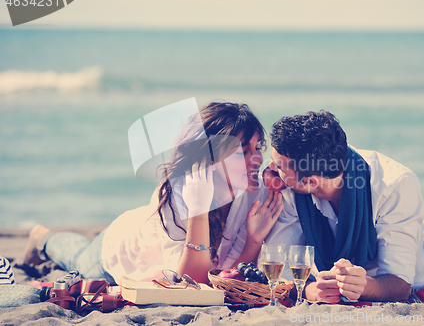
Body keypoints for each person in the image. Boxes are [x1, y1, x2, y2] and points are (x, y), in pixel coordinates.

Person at [23, 101, 283, 285]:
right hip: (121, 252)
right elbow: (190, 282)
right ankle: (42, 237)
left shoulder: (252, 193)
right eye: (242, 151)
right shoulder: (179, 192)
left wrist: (253, 240)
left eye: (258, 146)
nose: (257, 158)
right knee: (78, 260)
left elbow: (230, 276)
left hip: (174, 257)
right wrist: (198, 211)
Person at [264, 110, 424, 302]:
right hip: (397, 230)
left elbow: (400, 285)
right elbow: (278, 262)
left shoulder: (395, 184)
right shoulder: (292, 186)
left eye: (280, 166)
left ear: (311, 182)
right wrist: (309, 290)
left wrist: (363, 285)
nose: (272, 168)